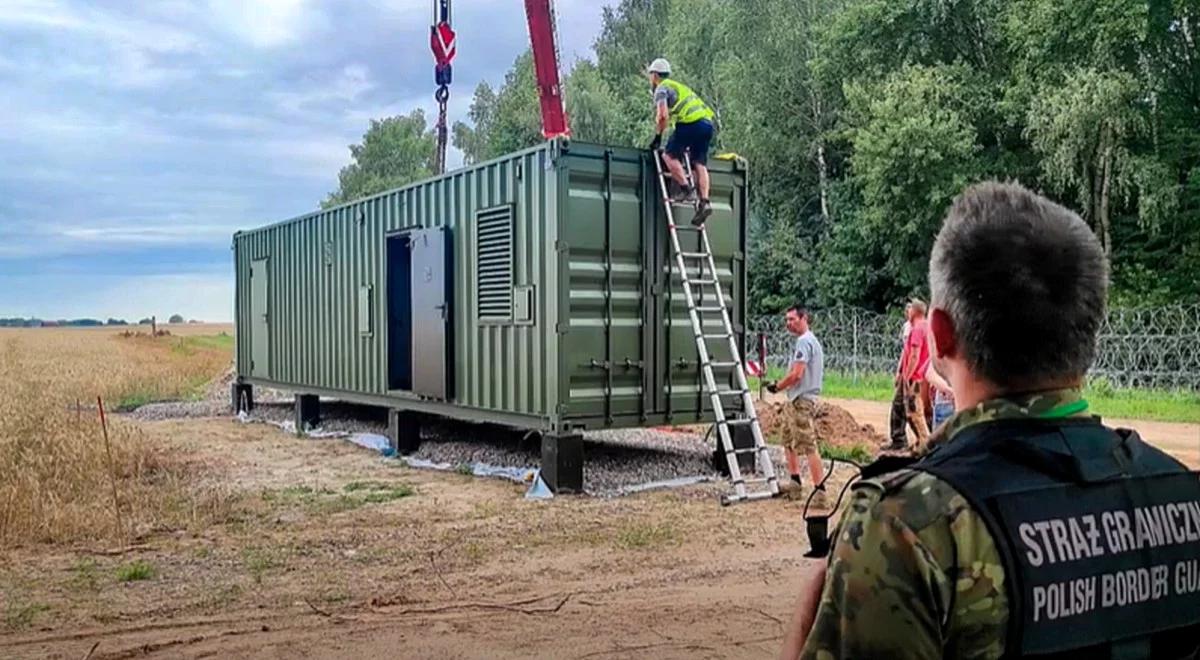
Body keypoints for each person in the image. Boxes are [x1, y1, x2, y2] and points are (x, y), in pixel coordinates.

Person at [782, 181, 1200, 659]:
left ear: (939, 334)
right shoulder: (1180, 496)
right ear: (1088, 333)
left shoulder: (906, 525)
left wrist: (806, 617)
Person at [765, 304, 828, 508]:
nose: (788, 324)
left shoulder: (804, 342)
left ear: (804, 318)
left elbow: (796, 374)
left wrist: (777, 387)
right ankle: (795, 482)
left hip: (802, 400)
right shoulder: (809, 341)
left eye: (792, 319)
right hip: (795, 400)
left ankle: (820, 492)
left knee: (808, 444)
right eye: (787, 320)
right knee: (788, 440)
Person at [645, 58, 716, 226]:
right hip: (707, 124)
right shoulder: (679, 87)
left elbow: (663, 116)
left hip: (691, 123)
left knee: (669, 156)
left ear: (655, 75)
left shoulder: (661, 89)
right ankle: (705, 202)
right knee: (699, 163)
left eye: (650, 75)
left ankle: (686, 189)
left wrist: (657, 137)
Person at [886, 300, 931, 450]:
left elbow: (914, 356)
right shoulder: (926, 326)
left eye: (910, 308)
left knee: (914, 412)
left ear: (915, 311)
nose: (907, 311)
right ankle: (909, 441)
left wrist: (907, 376)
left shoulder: (917, 329)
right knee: (903, 406)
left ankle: (925, 442)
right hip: (919, 375)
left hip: (914, 378)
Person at [926, 359, 955, 430]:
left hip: (946, 403)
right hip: (948, 404)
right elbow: (930, 374)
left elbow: (930, 374)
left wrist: (949, 391)